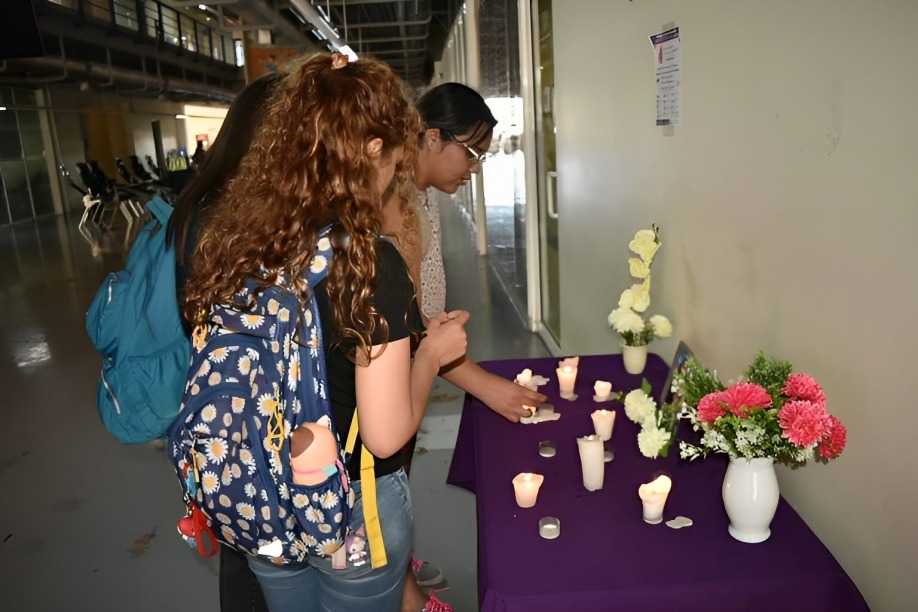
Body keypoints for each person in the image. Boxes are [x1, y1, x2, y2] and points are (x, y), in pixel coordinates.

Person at [176, 52, 469, 612]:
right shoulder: (367, 262)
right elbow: (385, 436)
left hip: (261, 492)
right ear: (374, 150)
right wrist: (433, 354)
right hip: (351, 506)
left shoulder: (239, 248)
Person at [385, 83, 548, 612]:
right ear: (431, 137)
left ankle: (394, 559)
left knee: (395, 483)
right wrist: (481, 384)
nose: (475, 167)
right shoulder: (390, 203)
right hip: (386, 376)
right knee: (381, 482)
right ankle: (395, 587)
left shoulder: (421, 193)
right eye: (472, 151)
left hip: (410, 370)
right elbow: (408, 327)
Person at [171, 73, 282, 612]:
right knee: (266, 545)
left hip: (216, 402)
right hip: (259, 408)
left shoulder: (197, 204)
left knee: (240, 541)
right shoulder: (246, 218)